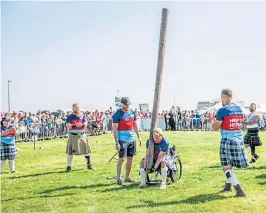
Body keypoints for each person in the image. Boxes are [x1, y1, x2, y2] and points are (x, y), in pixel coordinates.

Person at [212, 89, 249, 197]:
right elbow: (240, 123)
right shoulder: (239, 109)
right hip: (238, 139)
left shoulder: (222, 110)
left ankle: (239, 189)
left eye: (222, 98)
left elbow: (215, 127)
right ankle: (228, 187)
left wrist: (212, 122)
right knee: (230, 165)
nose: (221, 100)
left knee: (226, 167)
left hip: (227, 140)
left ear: (224, 97)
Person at [112, 97, 141, 185]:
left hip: (132, 139)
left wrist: (139, 137)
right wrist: (117, 143)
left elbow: (135, 125)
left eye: (129, 104)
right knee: (121, 159)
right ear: (122, 104)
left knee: (130, 159)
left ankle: (127, 177)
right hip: (122, 140)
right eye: (126, 104)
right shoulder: (117, 114)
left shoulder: (132, 112)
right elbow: (114, 129)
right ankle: (119, 178)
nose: (128, 106)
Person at [65, 103, 93, 172]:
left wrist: (82, 124)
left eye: (77, 107)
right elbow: (68, 125)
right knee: (70, 152)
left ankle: (89, 165)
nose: (76, 109)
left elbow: (86, 124)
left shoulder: (83, 116)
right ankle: (69, 166)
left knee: (86, 151)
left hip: (82, 135)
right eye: (75, 108)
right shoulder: (70, 117)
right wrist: (75, 125)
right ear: (73, 108)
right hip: (73, 136)